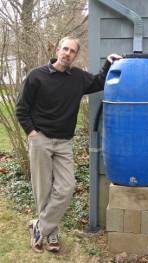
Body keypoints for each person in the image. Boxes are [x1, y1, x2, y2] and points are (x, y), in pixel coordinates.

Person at [16, 36, 121, 253]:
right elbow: (21, 109)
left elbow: (99, 82)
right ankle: (51, 233)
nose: (68, 53)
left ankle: (40, 226)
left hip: (64, 143)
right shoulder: (37, 76)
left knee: (66, 187)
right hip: (41, 140)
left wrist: (109, 63)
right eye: (65, 49)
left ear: (75, 55)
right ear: (57, 50)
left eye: (72, 51)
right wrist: (32, 133)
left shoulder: (78, 78)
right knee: (43, 189)